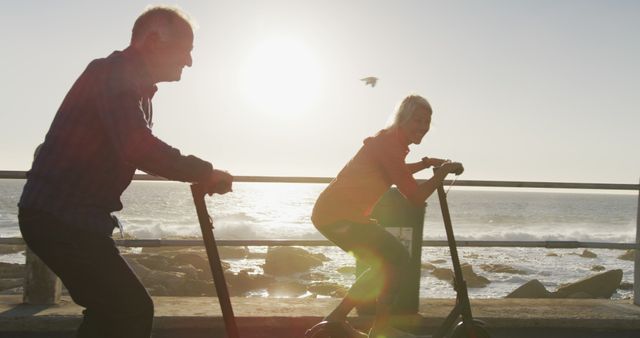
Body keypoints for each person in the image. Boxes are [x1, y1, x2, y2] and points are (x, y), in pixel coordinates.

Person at [18, 6, 232, 338]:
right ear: (153, 40)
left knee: (113, 310)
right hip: (59, 216)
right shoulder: (113, 73)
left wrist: (199, 172)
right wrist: (202, 171)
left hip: (70, 218)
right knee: (129, 308)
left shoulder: (135, 87)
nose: (189, 61)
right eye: (185, 49)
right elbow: (136, 146)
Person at [307, 94, 463, 338]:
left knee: (387, 263)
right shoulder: (389, 145)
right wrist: (440, 173)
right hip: (338, 216)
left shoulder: (391, 142)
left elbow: (394, 171)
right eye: (418, 120)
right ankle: (373, 326)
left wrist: (425, 164)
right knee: (395, 259)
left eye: (427, 122)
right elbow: (414, 196)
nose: (423, 127)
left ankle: (343, 320)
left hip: (340, 214)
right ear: (403, 118)